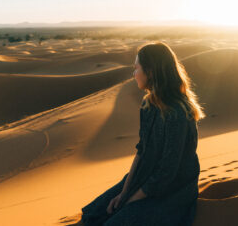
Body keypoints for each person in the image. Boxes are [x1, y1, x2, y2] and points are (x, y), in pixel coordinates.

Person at [79, 41, 205, 226]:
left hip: (174, 188)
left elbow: (167, 171)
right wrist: (124, 191)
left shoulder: (177, 112)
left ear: (151, 72)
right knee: (93, 214)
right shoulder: (148, 105)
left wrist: (132, 199)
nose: (134, 73)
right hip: (145, 176)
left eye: (136, 68)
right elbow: (142, 150)